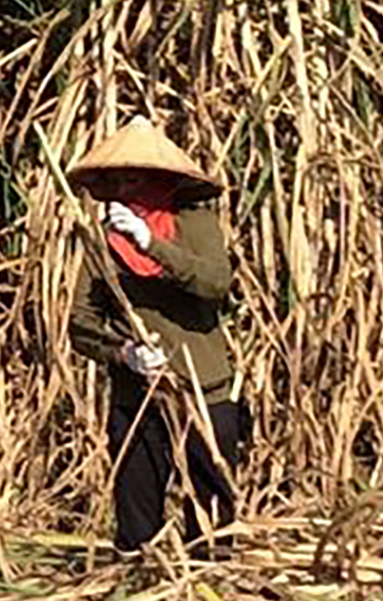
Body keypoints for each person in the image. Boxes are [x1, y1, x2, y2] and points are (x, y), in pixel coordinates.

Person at [65, 115, 248, 555]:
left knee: (211, 522)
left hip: (202, 392)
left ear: (161, 181)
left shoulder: (196, 225)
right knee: (136, 522)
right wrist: (124, 353)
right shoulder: (104, 245)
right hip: (139, 395)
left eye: (137, 180)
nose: (128, 192)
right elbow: (81, 322)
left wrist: (150, 243)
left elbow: (214, 283)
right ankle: (136, 597)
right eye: (119, 182)